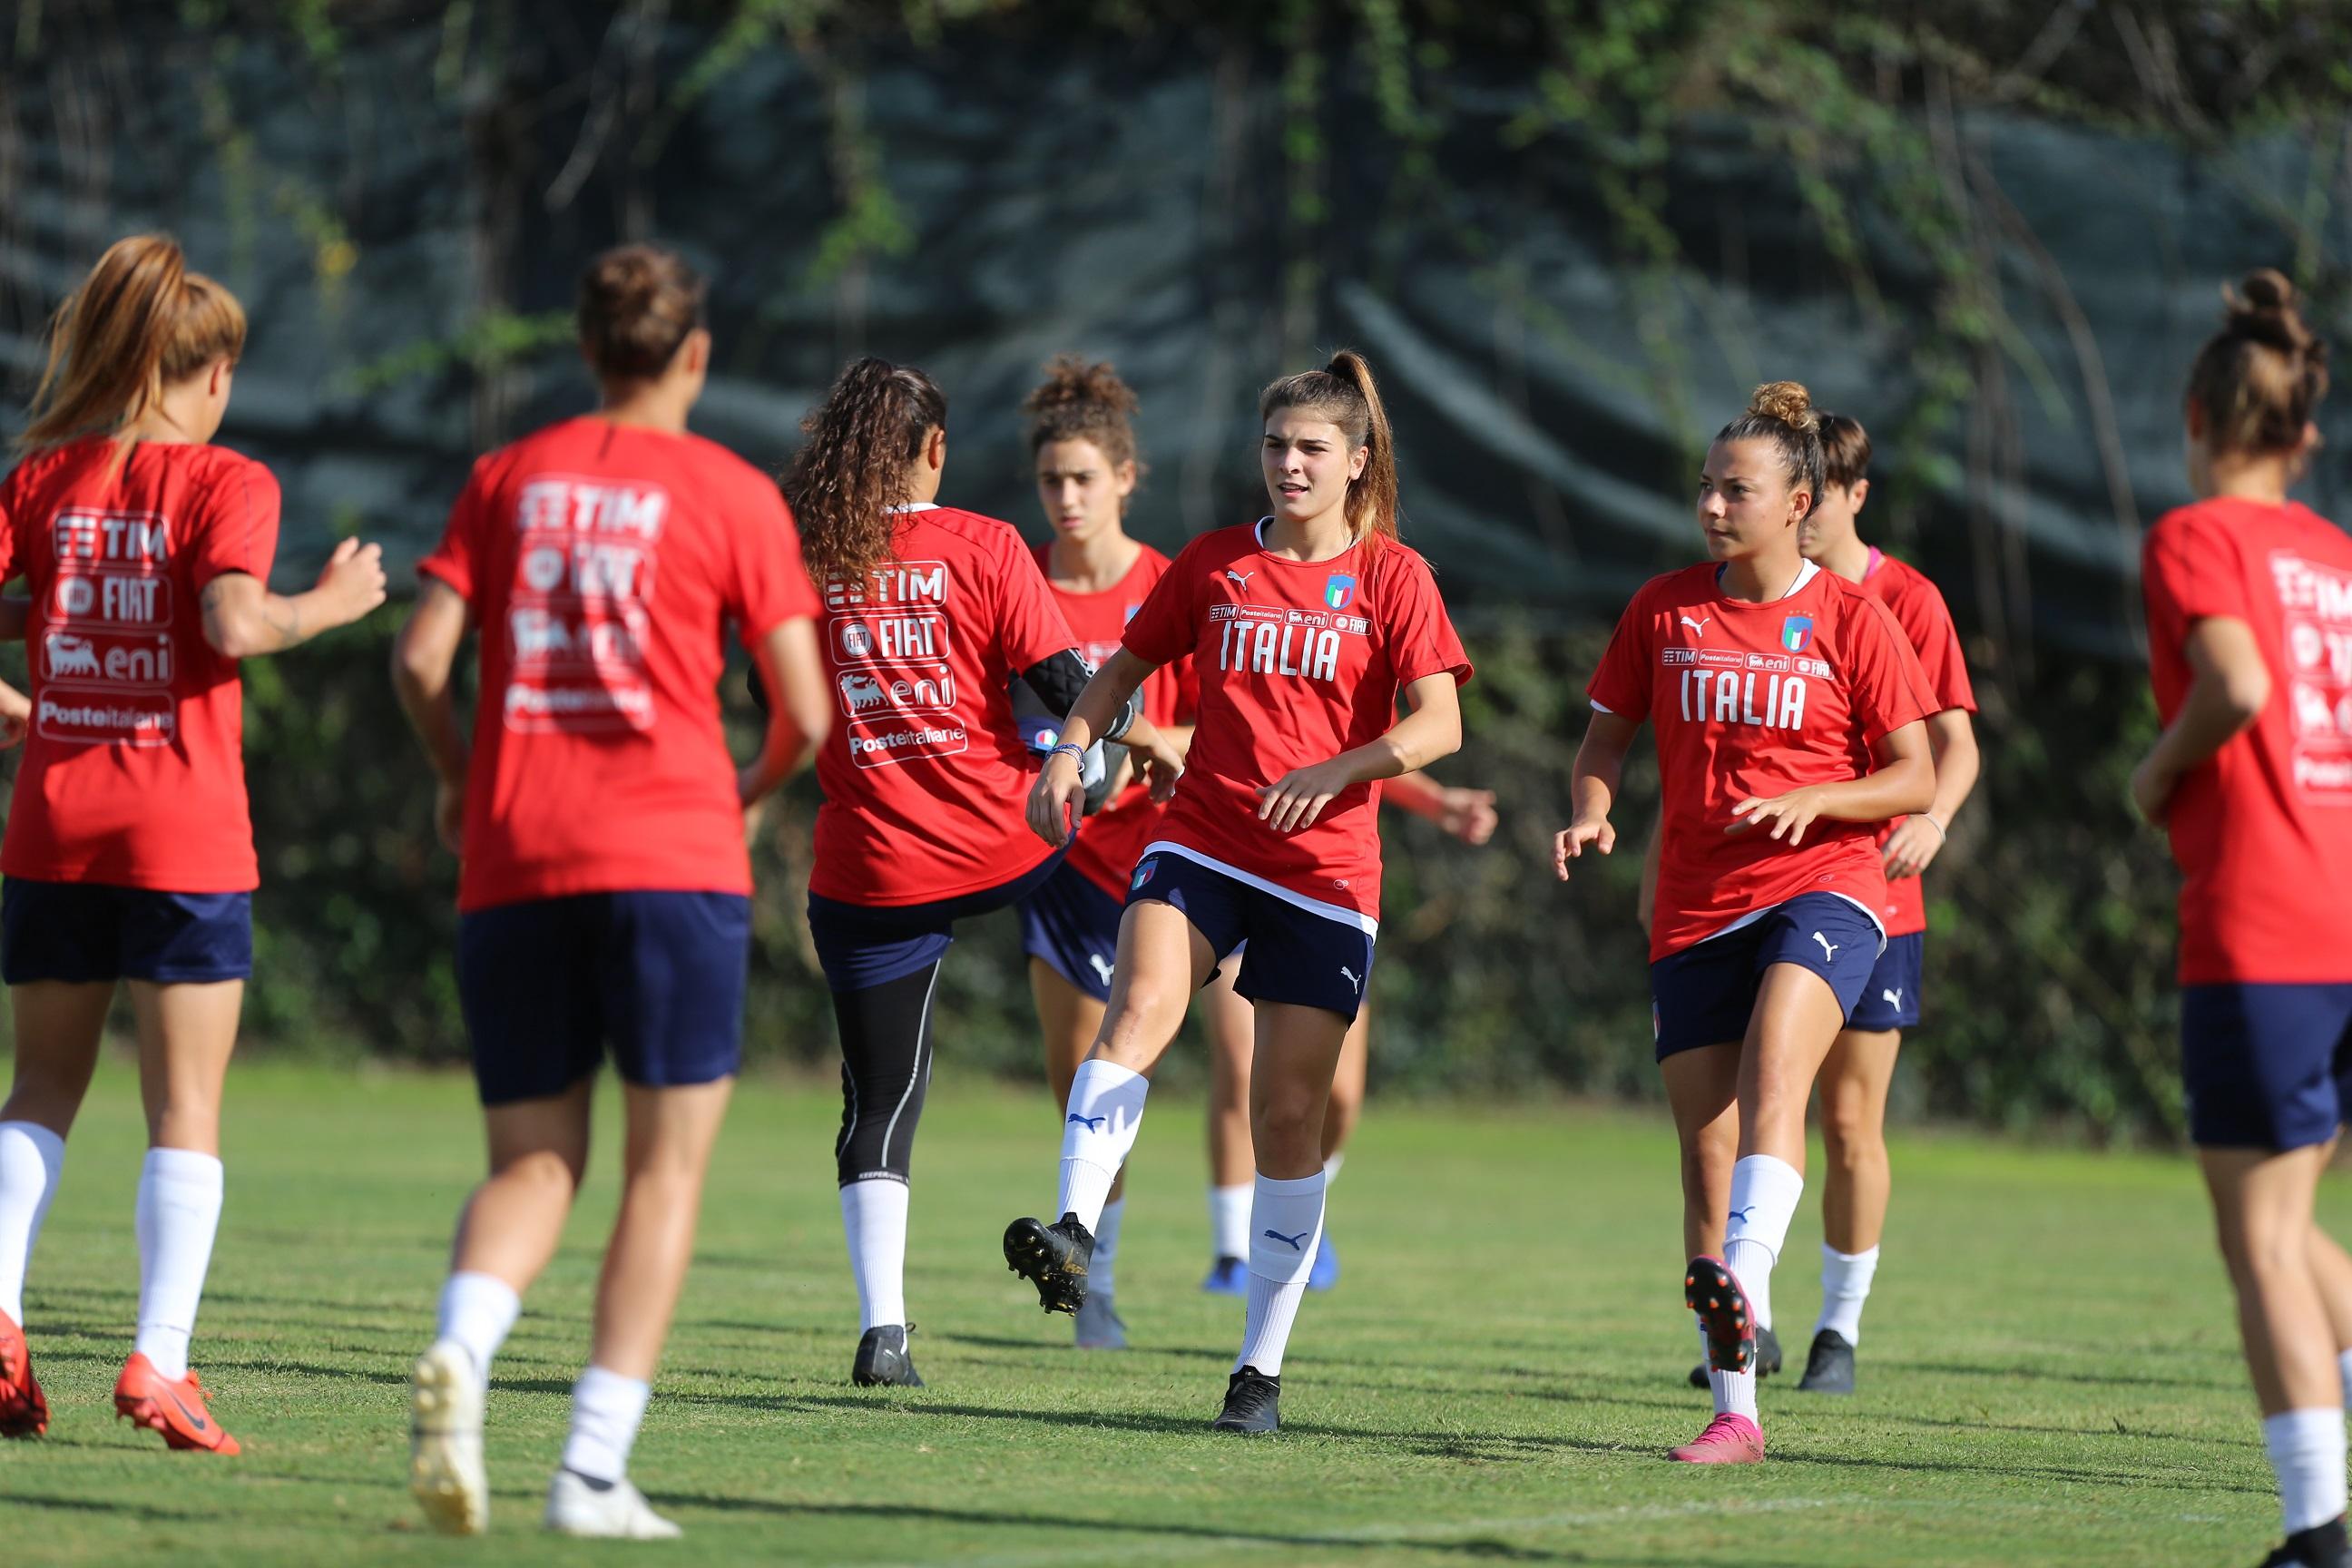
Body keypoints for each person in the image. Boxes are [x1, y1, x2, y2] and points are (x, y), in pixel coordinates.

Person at [393, 245, 829, 1539]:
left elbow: (421, 664)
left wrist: (465, 783)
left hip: (515, 859)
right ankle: (588, 1470)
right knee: (663, 1172)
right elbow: (805, 710)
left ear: (586, 351)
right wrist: (744, 795)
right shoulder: (736, 494)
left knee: (532, 1165)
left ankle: (464, 1353)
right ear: (694, 355)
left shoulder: (504, 478)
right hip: (672, 860)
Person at [1002, 349, 1471, 1436]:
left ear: (1357, 463)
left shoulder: (1395, 577)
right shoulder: (1217, 563)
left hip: (1323, 873)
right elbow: (1119, 671)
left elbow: (1440, 722)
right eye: (1275, 446)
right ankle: (1073, 1232)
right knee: (1137, 1015)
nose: (1289, 464)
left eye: (1313, 448)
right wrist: (1071, 752)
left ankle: (1257, 1372)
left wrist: (1341, 771)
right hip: (1203, 842)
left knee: (1288, 1114)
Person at [0, 234, 387, 1454]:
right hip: (180, 833)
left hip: (54, 825)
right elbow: (230, 619)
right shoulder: (227, 481)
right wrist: (329, 603)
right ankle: (160, 1363)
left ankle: (0, 1312)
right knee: (187, 1112)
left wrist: (37, 705)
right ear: (210, 374)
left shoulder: (41, 479)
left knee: (41, 1092)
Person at [788, 356, 1183, 1388]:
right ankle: (1083, 1226)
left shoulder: (809, 558)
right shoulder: (987, 543)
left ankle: (886, 1335)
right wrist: (1143, 743)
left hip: (872, 865)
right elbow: (1068, 684)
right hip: (1014, 840)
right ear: (933, 451)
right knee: (1128, 891)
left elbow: (774, 693)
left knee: (879, 1102)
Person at [1556, 381, 1934, 1465]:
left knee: (1780, 1073)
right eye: (1707, 485)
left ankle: (1750, 1282)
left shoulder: (1855, 619)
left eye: (1739, 488)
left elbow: (1911, 776)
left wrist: (1823, 799)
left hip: (1829, 886)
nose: (1713, 504)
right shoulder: (1664, 608)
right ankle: (1737, 1413)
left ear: (1799, 500)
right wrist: (1591, 813)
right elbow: (1602, 747)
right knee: (1705, 1156)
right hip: (1692, 905)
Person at [1661, 412, 1981, 1394]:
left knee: (1844, 1121)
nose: (1722, 504)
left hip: (1866, 890)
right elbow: (1682, 777)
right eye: (1715, 485)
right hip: (1732, 899)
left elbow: (1942, 752)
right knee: (1750, 1107)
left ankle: (1837, 1330)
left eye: (1838, 489)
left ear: (1834, 497)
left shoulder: (1895, 601)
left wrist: (1933, 821)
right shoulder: (1697, 608)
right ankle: (1741, 1327)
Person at [2132, 270, 2352, 1568]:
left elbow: (2238, 679)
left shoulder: (2197, 536)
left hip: (2266, 919)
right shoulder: (2338, 555)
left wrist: (2162, 772)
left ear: (2197, 413)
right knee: (2297, 1220)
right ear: (2306, 433)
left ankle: (2318, 1538)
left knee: (2257, 1233)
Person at [1012, 356, 1196, 1351]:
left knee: (1265, 1077)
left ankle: (1238, 1258)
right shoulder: (1019, 585)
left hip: (1172, 862)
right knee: (1080, 1078)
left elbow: (1228, 728)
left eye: (1086, 477)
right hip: (1061, 868)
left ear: (1126, 475)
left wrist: (1152, 754)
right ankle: (1095, 1284)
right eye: (1051, 481)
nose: (1068, 497)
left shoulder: (1171, 585)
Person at [1198, 770, 1497, 1296]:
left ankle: (1299, 1202)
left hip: (1324, 890)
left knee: (1339, 1096)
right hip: (1232, 871)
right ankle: (1231, 1252)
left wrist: (1438, 800)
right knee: (1242, 1065)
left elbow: (1369, 750)